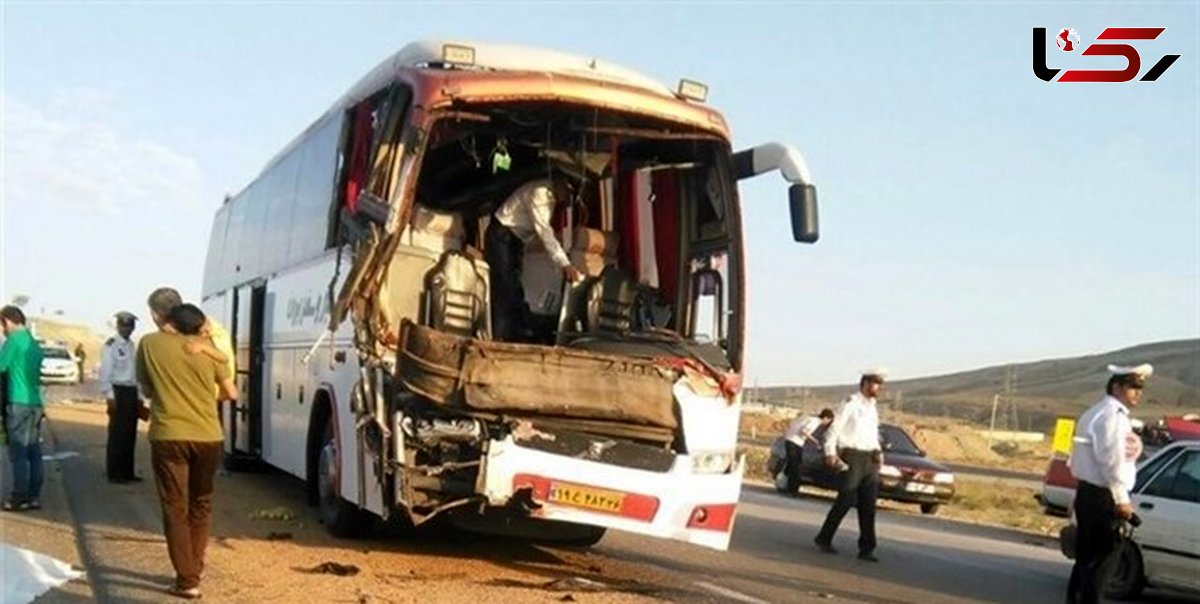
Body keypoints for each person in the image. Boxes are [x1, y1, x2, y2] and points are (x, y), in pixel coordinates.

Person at [138, 294, 238, 600]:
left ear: (159, 316)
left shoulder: (148, 344)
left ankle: (187, 579)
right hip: (209, 436)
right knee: (201, 504)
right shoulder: (208, 351)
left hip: (169, 435)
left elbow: (146, 388)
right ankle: (195, 566)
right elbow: (231, 392)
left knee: (174, 506)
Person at [1065, 363, 1152, 604]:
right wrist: (1122, 500)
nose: (1138, 393)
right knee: (1100, 565)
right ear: (1116, 387)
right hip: (1103, 496)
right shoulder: (1112, 417)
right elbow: (1112, 462)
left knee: (1087, 562)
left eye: (1140, 388)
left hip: (1092, 493)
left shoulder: (1098, 412)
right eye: (1133, 387)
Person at [484, 177, 583, 341]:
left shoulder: (550, 200)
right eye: (568, 192)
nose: (568, 198)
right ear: (560, 185)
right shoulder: (540, 194)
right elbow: (544, 232)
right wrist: (565, 264)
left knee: (515, 287)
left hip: (515, 241)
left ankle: (511, 334)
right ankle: (497, 336)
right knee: (504, 286)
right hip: (502, 235)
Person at [814, 368, 887, 562]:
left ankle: (867, 548)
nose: (878, 388)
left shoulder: (872, 407)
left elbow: (872, 433)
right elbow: (834, 430)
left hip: (869, 458)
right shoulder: (850, 404)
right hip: (852, 456)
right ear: (864, 384)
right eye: (874, 383)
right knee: (846, 499)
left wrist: (878, 451)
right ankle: (824, 538)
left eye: (880, 384)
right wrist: (830, 452)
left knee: (868, 504)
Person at [0, 305, 46, 512]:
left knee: (18, 452)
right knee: (34, 451)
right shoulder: (33, 343)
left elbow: (1, 366)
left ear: (7, 321)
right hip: (35, 402)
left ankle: (18, 497)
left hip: (17, 402)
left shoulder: (13, 341)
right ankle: (33, 496)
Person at [100, 311, 144, 483]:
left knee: (130, 434)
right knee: (117, 434)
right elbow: (106, 372)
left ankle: (127, 471)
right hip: (117, 390)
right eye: (124, 325)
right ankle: (115, 472)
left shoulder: (132, 345)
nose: (127, 329)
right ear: (118, 326)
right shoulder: (111, 345)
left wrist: (139, 397)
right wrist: (109, 396)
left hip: (131, 391)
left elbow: (136, 374)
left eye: (130, 325)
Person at [782, 408, 835, 494]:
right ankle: (792, 490)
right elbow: (804, 431)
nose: (828, 423)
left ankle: (788, 486)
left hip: (794, 441)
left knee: (794, 465)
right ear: (826, 418)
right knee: (795, 467)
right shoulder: (815, 422)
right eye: (829, 421)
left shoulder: (811, 419)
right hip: (794, 442)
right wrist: (815, 441)